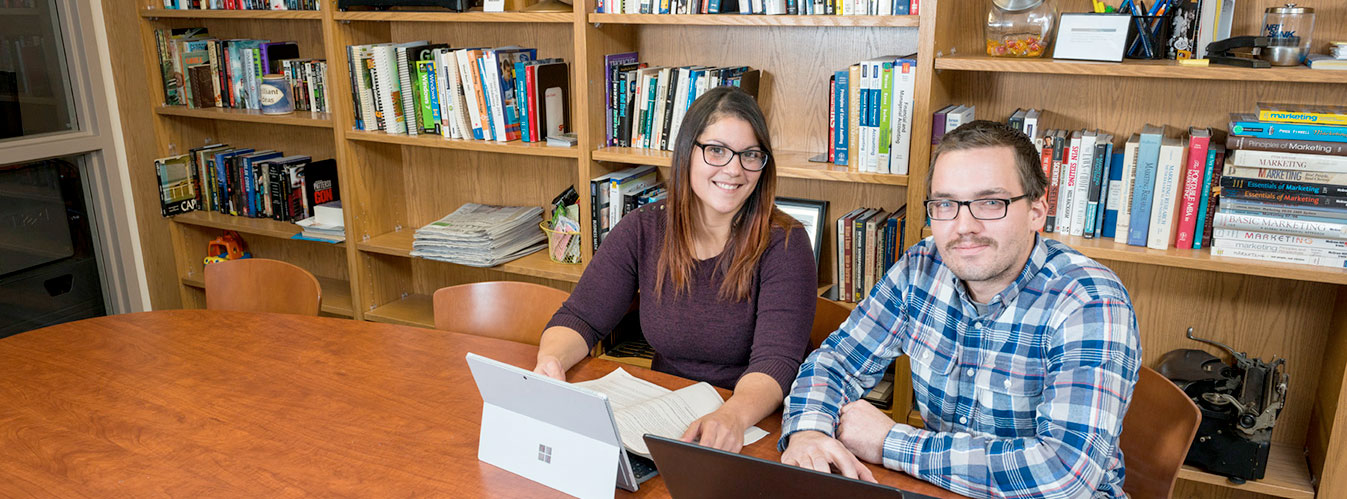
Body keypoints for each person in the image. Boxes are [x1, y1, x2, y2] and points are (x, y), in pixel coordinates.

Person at [779, 120, 1142, 498]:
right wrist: (809, 430)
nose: (963, 226)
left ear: (1037, 210)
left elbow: (1064, 474)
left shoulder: (1089, 300)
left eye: (990, 202)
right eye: (945, 204)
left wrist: (889, 441)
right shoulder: (921, 268)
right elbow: (836, 361)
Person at [534, 86, 817, 453]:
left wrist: (732, 415)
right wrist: (550, 362)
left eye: (750, 155)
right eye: (716, 150)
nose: (734, 169)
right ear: (688, 152)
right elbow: (581, 317)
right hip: (665, 413)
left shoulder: (785, 243)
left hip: (753, 422)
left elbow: (777, 361)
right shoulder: (645, 227)